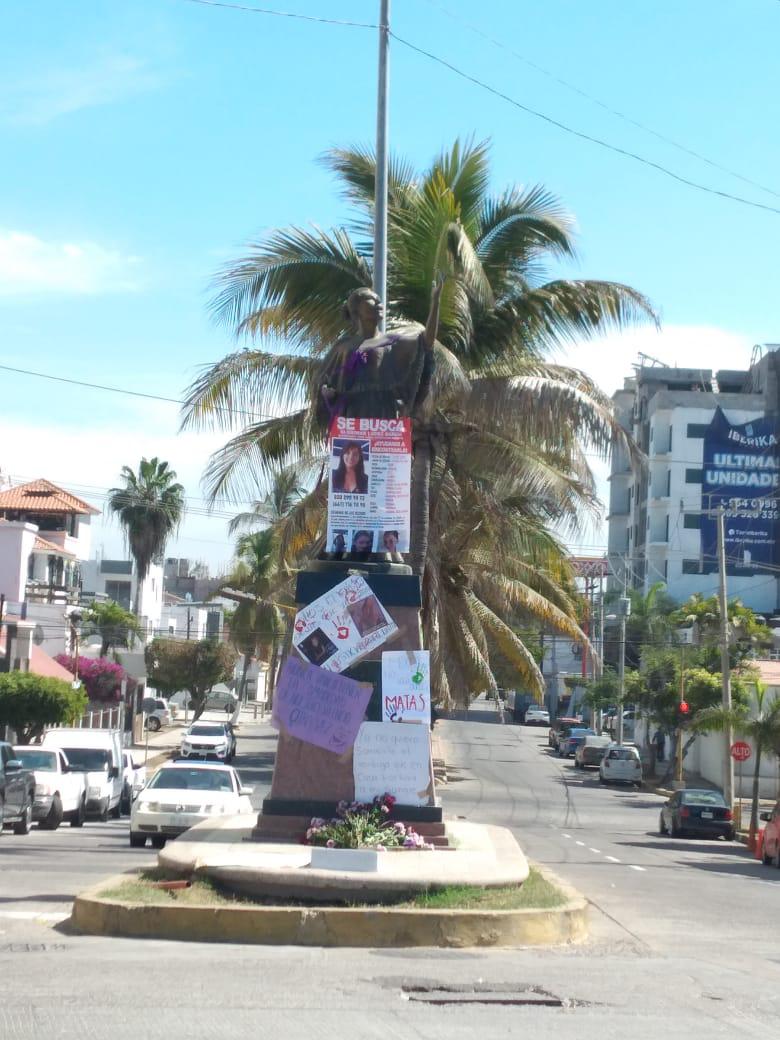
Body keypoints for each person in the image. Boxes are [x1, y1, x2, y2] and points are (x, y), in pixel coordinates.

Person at [317, 276, 445, 427]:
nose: (379, 303)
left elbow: (426, 341)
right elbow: (325, 382)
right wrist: (327, 393)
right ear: (357, 310)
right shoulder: (344, 346)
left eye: (379, 300)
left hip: (385, 416)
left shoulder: (393, 342)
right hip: (352, 418)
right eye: (371, 299)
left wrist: (436, 302)